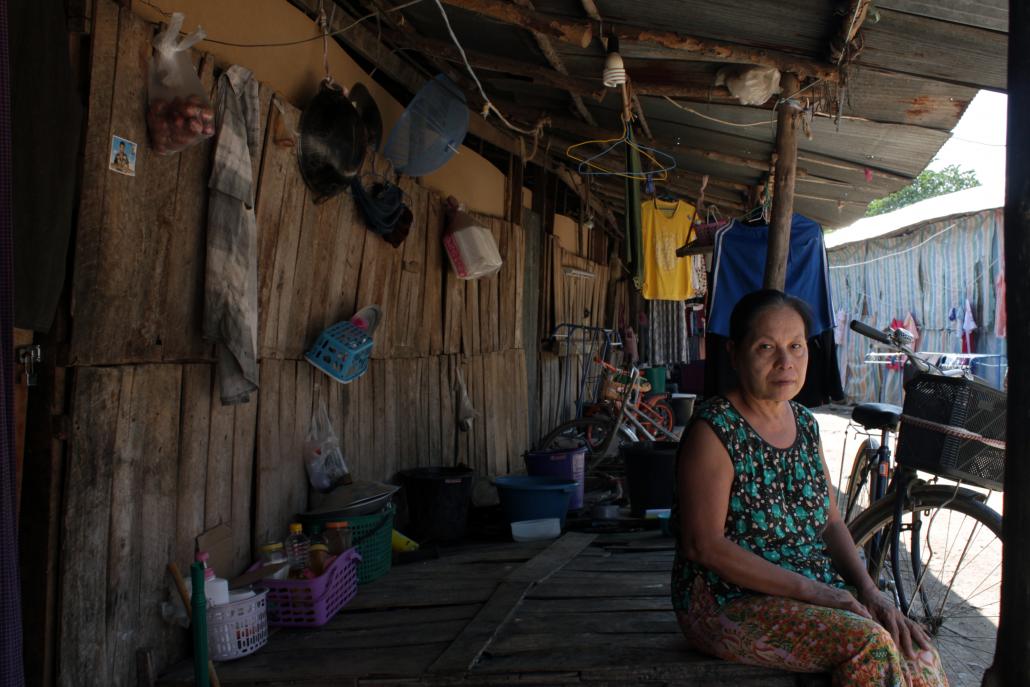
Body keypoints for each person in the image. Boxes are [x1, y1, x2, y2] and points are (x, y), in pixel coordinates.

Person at [671, 289, 947, 687]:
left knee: (917, 648)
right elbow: (704, 545)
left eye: (796, 346)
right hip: (726, 601)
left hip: (809, 588)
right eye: (766, 346)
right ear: (734, 353)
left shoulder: (804, 423)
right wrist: (819, 593)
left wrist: (870, 591)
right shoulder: (714, 430)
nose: (786, 361)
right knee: (869, 643)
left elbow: (832, 522)